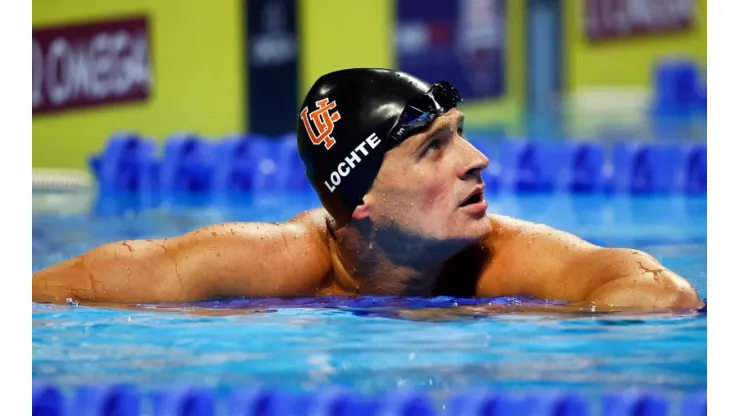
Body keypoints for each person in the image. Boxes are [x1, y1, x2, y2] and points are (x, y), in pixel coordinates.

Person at [32, 68, 703, 311]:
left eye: (461, 134)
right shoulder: (273, 263)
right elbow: (58, 289)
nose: (479, 160)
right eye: (434, 147)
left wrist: (500, 312)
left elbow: (661, 295)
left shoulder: (498, 263)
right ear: (358, 200)